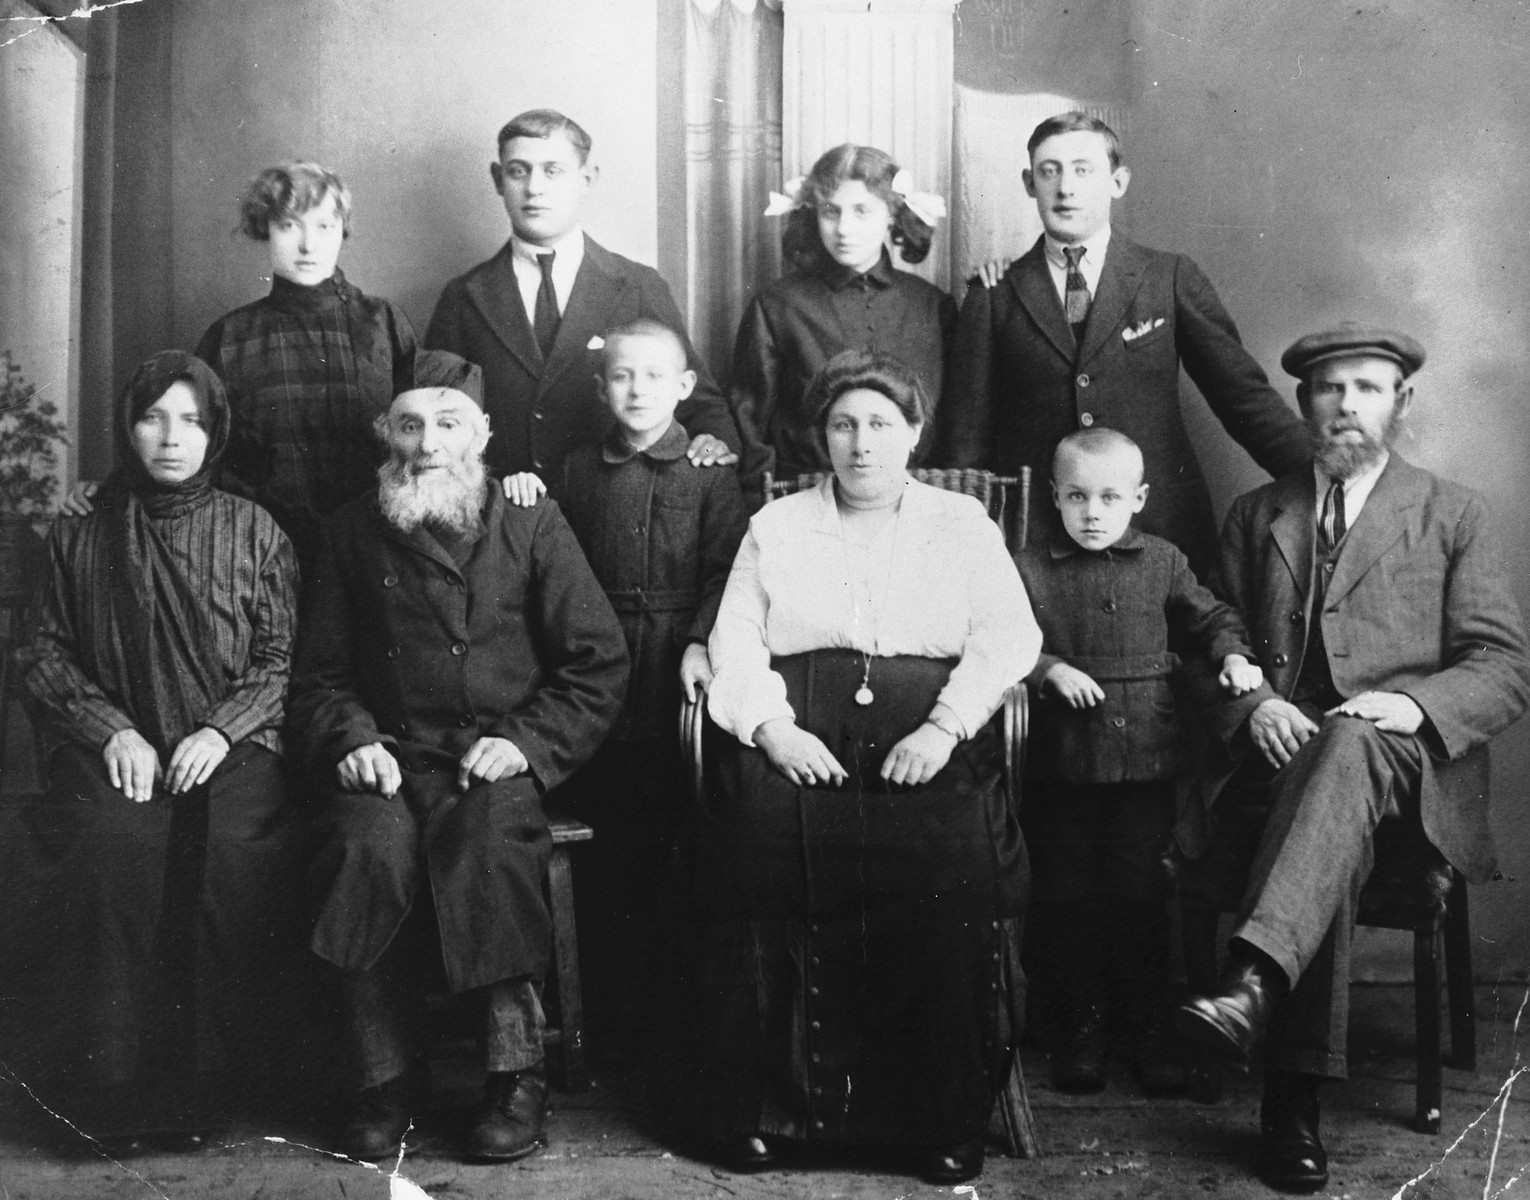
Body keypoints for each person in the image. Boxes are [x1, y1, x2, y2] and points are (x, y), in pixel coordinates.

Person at [1172, 324, 1530, 1191]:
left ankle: (1260, 1005)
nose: (1346, 405)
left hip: (1408, 770)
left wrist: (1410, 704)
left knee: (1349, 743)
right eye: (1330, 389)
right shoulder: (1261, 514)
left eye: (1368, 388)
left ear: (1400, 403)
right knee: (1326, 822)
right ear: (1304, 404)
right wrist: (1253, 703)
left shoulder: (1453, 513)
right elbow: (1205, 633)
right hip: (1281, 774)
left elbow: (1505, 666)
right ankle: (1280, 1071)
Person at [696, 349, 1040, 1184]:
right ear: (820, 436)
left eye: (881, 424)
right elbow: (734, 638)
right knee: (759, 846)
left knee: (954, 861)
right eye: (844, 424)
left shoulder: (961, 524)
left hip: (926, 738)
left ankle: (942, 1120)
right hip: (798, 738)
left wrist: (946, 726)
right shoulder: (774, 528)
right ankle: (768, 1112)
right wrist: (773, 730)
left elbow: (1009, 636)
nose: (862, 444)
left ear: (914, 433)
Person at [289, 354, 629, 1163]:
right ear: (387, 438)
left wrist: (527, 743)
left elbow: (597, 659)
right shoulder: (348, 527)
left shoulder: (530, 521)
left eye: (447, 424)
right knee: (361, 846)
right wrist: (351, 742)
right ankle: (385, 1079)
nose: (428, 444)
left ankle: (515, 1075)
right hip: (392, 760)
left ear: (481, 436)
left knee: (489, 848)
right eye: (410, 424)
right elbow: (319, 678)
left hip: (492, 756)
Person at [22, 350, 303, 1144]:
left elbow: (281, 660)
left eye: (191, 419)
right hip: (116, 741)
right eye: (152, 418)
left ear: (215, 433)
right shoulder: (79, 531)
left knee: (225, 850)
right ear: (128, 427)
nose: (171, 437)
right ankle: (105, 1086)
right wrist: (113, 729)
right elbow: (41, 653)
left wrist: (220, 729)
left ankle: (209, 1086)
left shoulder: (256, 532)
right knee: (116, 844)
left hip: (235, 743)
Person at [934, 112, 1312, 575]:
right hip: (1036, 545)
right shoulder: (994, 295)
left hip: (1160, 533)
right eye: (1049, 171)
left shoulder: (1167, 278)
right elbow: (963, 444)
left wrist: (1329, 478)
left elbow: (1244, 399)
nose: (1065, 187)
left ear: (1118, 181)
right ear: (1030, 184)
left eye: (1083, 169)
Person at [1016, 427, 1262, 1097]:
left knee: (1139, 893)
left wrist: (1233, 654)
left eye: (1108, 497)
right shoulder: (1028, 565)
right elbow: (998, 637)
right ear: (1054, 497)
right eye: (1076, 497)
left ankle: (1146, 1025)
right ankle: (1080, 1026)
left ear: (1139, 498)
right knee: (1065, 895)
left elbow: (1211, 618)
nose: (1092, 513)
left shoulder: (1163, 560)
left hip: (1147, 763)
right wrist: (1048, 669)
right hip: (1062, 765)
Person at [558, 318, 747, 1068]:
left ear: (684, 388)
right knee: (605, 848)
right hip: (597, 674)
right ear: (602, 387)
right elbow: (554, 573)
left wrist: (700, 641)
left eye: (653, 377)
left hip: (675, 672)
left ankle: (674, 1022)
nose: (636, 391)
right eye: (621, 377)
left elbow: (728, 571)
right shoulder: (577, 470)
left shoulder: (709, 471)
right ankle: (606, 1019)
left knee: (677, 840)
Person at [424, 108, 740, 505]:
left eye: (552, 171)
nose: (534, 188)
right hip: (508, 518)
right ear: (498, 179)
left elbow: (700, 401)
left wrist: (715, 441)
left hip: (617, 511)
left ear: (587, 178)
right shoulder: (465, 297)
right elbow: (436, 421)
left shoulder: (637, 286)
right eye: (518, 171)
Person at [195, 162, 419, 567]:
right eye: (288, 226)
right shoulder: (230, 338)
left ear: (342, 232)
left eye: (324, 227)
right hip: (262, 558)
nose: (308, 246)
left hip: (377, 557)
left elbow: (424, 442)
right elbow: (193, 451)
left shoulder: (382, 324)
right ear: (264, 229)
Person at [731, 143, 955, 486]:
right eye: (830, 211)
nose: (843, 229)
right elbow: (751, 425)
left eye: (862, 210)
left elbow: (954, 424)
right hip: (807, 495)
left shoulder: (932, 305)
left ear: (892, 214)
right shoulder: (777, 306)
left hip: (916, 495)